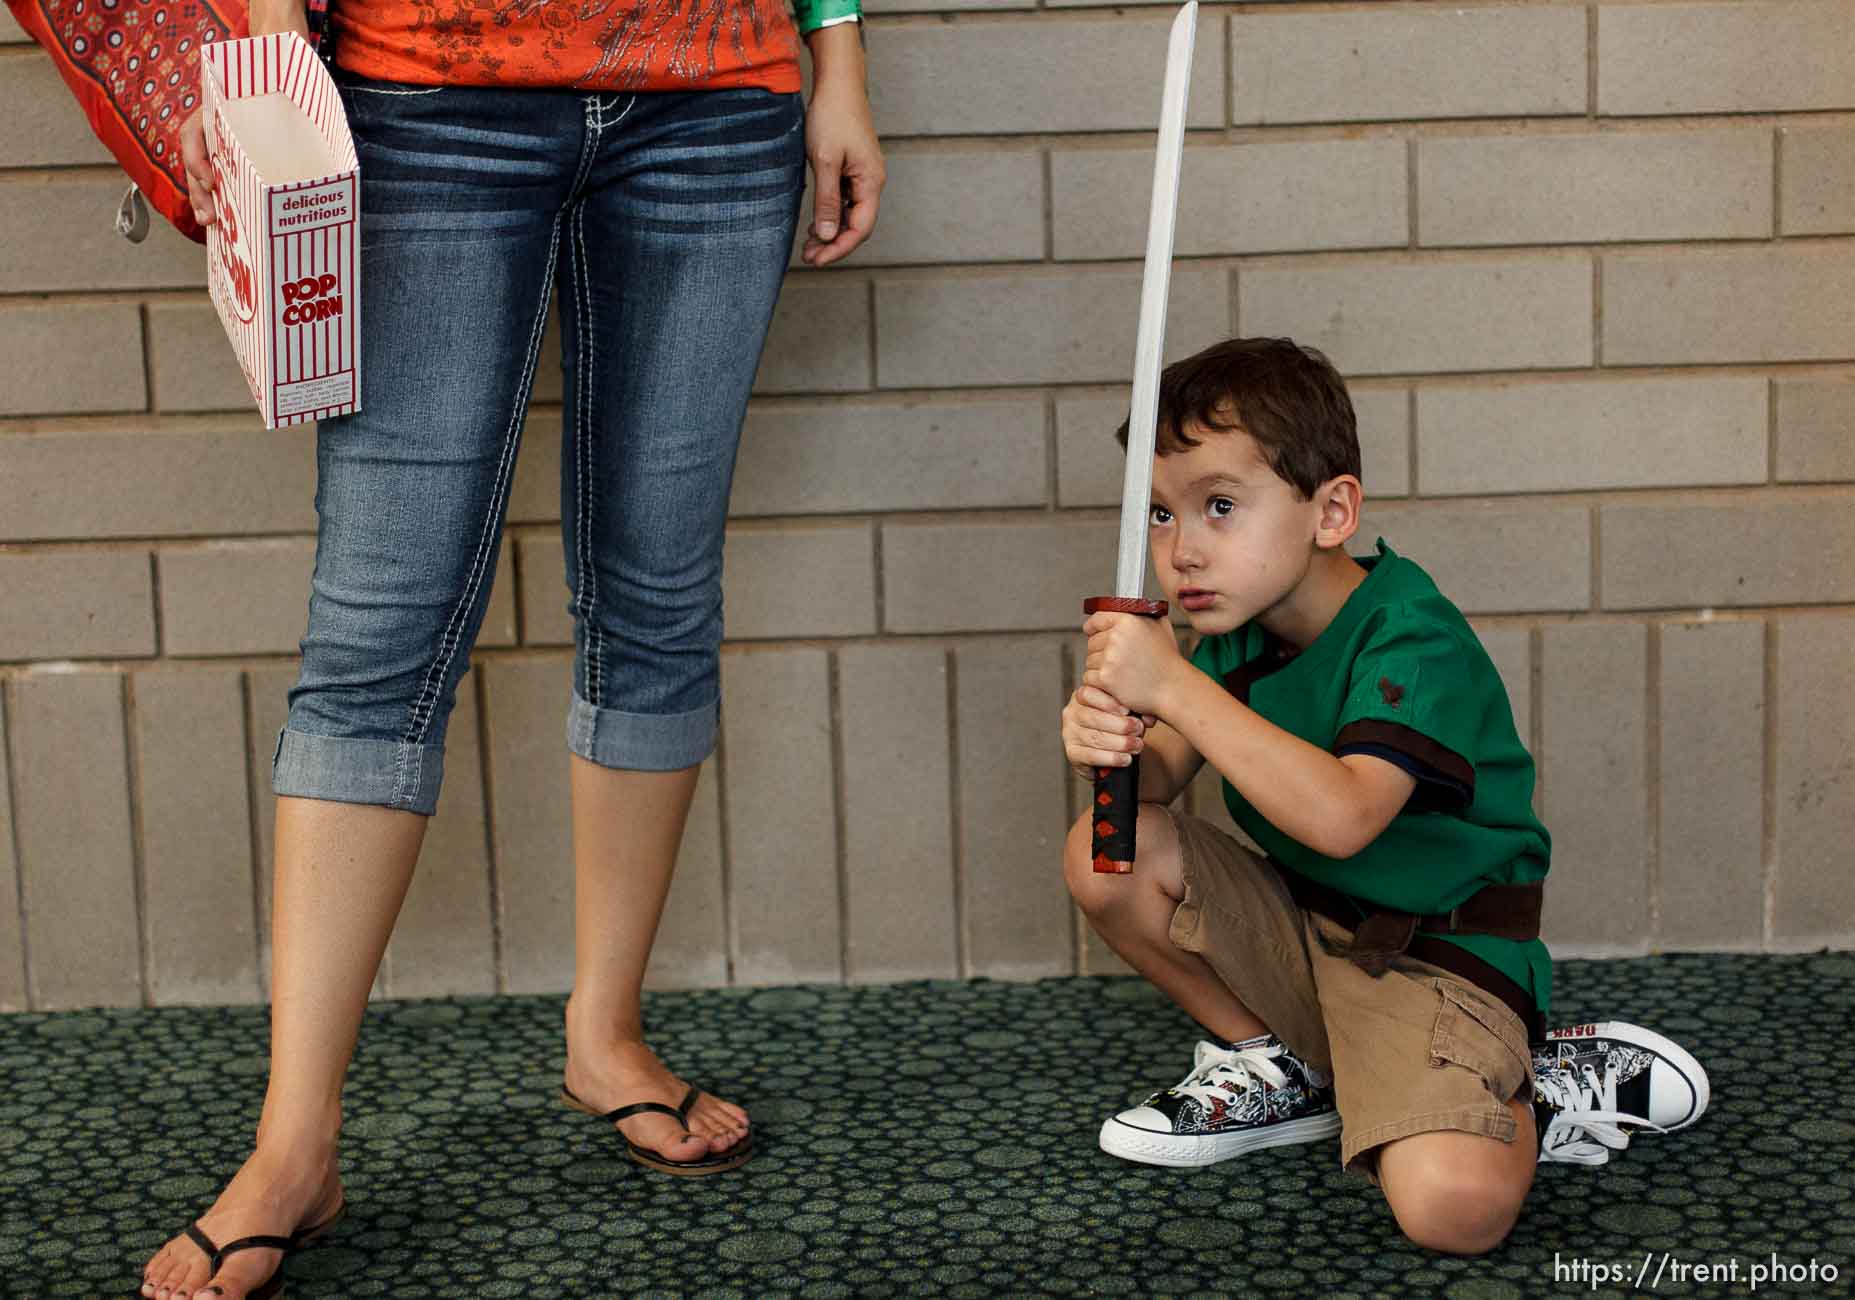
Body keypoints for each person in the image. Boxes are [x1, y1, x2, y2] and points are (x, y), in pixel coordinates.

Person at [137, 0, 883, 1294]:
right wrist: (262, 53)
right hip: (422, 96)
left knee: (655, 592)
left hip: (719, 99)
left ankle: (604, 1035)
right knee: (383, 619)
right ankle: (293, 1146)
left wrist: (839, 57)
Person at [1060, 337, 1707, 1255]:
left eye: (1218, 506)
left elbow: (1343, 816)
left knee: (1452, 1215)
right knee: (1106, 845)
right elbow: (1156, 779)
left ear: (1332, 511)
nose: (1182, 549)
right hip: (1307, 926)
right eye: (1159, 515)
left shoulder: (1410, 636)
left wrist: (1173, 689)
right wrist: (1109, 740)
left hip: (1433, 955)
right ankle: (1285, 1066)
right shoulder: (1235, 631)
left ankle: (1530, 1079)